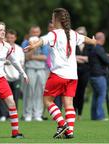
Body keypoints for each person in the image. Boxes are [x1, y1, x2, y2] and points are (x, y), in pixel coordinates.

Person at [24, 8, 96, 138]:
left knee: (47, 100)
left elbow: (41, 41)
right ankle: (70, 132)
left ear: (56, 20)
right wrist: (94, 41)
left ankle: (62, 124)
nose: (51, 20)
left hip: (58, 74)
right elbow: (86, 39)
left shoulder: (54, 34)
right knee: (69, 104)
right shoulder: (73, 34)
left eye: (52, 18)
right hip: (72, 76)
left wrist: (33, 46)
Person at [22, 25, 48, 122]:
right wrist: (32, 47)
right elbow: (27, 57)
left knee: (40, 92)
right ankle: (27, 114)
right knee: (29, 92)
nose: (35, 34)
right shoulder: (25, 42)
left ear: (39, 32)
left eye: (37, 32)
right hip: (30, 68)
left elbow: (45, 57)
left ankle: (38, 113)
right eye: (33, 32)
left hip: (41, 69)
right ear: (30, 33)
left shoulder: (43, 43)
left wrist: (33, 55)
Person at [89, 32, 109, 120]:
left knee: (96, 95)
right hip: (99, 75)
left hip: (92, 75)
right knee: (102, 95)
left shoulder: (92, 48)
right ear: (102, 39)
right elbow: (106, 60)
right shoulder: (99, 48)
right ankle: (100, 116)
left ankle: (94, 116)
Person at [73, 26, 90, 120]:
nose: (81, 35)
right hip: (74, 71)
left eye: (82, 34)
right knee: (74, 93)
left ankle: (80, 113)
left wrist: (78, 58)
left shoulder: (89, 46)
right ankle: (73, 112)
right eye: (79, 33)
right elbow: (72, 57)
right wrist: (82, 58)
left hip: (85, 72)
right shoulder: (73, 45)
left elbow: (90, 58)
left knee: (82, 93)